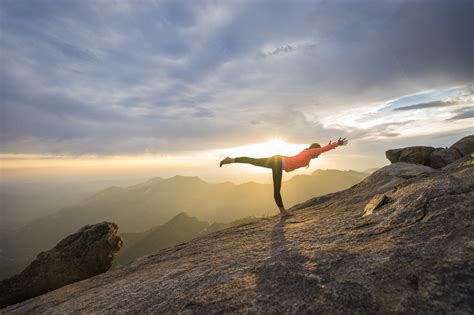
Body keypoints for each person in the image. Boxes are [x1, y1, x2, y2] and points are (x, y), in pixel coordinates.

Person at [219, 137, 348, 218]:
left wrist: (331, 145)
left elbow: (321, 150)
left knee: (254, 161)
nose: (318, 156)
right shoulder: (311, 152)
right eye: (317, 153)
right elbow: (323, 150)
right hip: (279, 162)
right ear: (315, 150)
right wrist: (336, 144)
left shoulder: (306, 153)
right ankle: (283, 212)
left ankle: (231, 160)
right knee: (276, 188)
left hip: (278, 161)